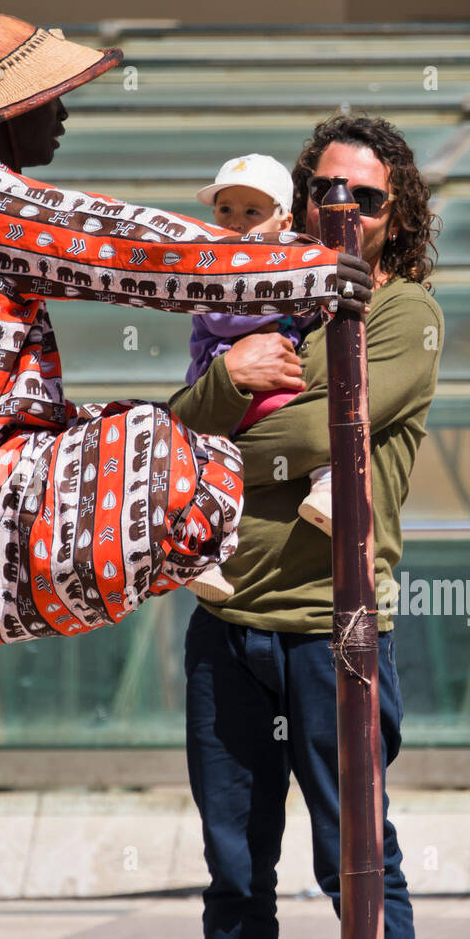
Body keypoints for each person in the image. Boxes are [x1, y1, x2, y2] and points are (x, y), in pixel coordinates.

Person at [0, 0, 368, 644]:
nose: (63, 115)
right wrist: (301, 268)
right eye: (51, 100)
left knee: (161, 436)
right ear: (9, 116)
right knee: (174, 449)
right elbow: (128, 251)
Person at [140, 114, 442, 939]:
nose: (338, 208)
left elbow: (325, 429)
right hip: (228, 627)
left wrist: (237, 416)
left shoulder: (404, 314)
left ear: (393, 207)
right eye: (324, 190)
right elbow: (178, 425)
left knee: (357, 863)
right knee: (234, 870)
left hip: (336, 634)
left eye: (360, 194)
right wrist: (231, 384)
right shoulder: (254, 297)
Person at [183, 153, 333, 605]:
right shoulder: (210, 267)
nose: (237, 223)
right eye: (226, 210)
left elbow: (308, 324)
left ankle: (325, 488)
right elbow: (224, 322)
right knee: (208, 466)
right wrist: (290, 302)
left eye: (253, 212)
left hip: (271, 385)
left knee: (314, 421)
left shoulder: (287, 264)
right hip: (226, 385)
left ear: (283, 221)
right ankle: (202, 555)